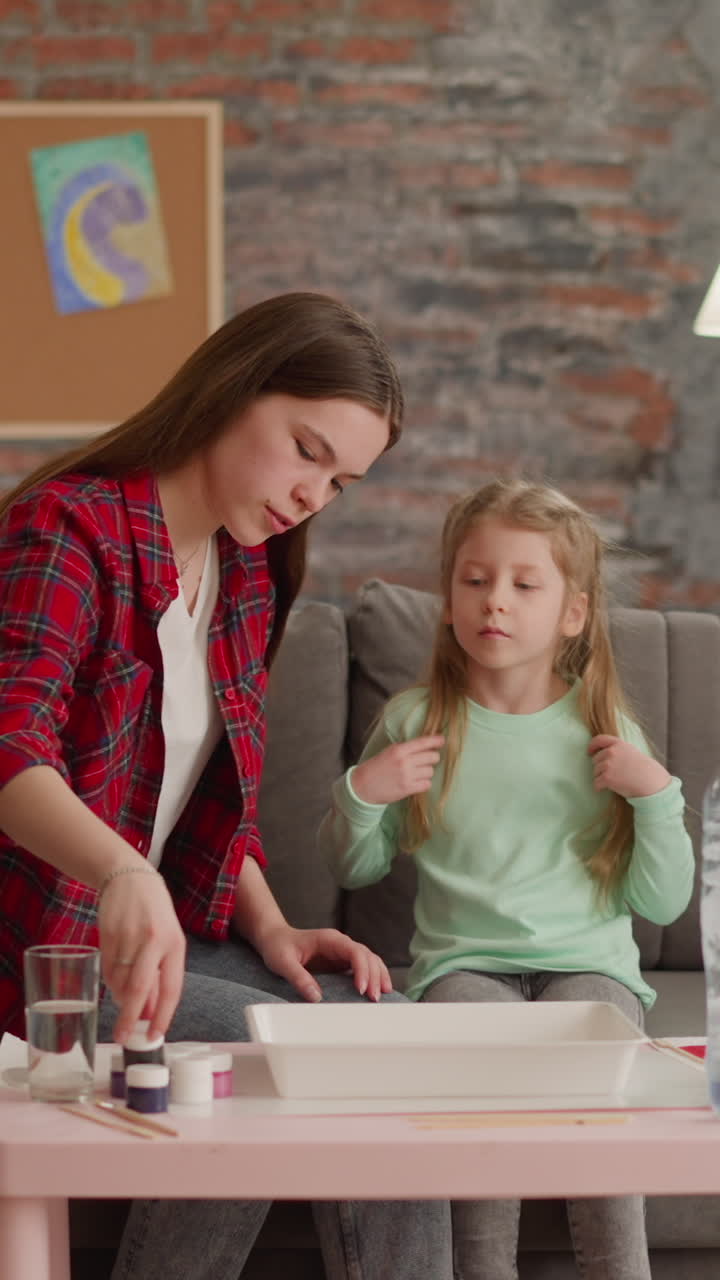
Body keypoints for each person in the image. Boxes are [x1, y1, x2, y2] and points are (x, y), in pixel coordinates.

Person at [0, 291, 452, 1280]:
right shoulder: (67, 528)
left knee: (385, 1027)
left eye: (341, 481)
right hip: (43, 954)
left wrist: (273, 926)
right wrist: (123, 871)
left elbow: (209, 800)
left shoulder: (249, 569)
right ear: (233, 388)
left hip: (152, 933)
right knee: (267, 1059)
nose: (312, 495)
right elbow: (10, 743)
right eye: (305, 448)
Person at [319, 477, 695, 1280]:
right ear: (450, 598)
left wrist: (658, 797)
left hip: (591, 969)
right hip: (466, 968)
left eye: (525, 585)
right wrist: (362, 792)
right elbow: (358, 866)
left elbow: (660, 902)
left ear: (572, 613)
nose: (496, 602)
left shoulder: (605, 733)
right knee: (478, 1104)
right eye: (476, 580)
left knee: (600, 1111)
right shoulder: (416, 720)